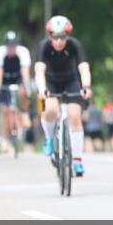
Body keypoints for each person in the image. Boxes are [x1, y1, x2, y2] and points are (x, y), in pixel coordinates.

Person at [34, 15, 92, 176]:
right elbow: (39, 71)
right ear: (49, 35)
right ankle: (49, 138)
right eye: (55, 37)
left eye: (62, 37)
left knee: (74, 116)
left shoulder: (74, 45)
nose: (59, 41)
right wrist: (42, 89)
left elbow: (83, 68)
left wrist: (86, 86)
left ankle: (77, 160)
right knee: (51, 110)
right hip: (50, 82)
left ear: (68, 35)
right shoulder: (44, 46)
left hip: (70, 81)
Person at [0, 31, 32, 154]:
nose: (11, 49)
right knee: (4, 110)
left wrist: (27, 87)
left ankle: (25, 114)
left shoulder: (23, 52)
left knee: (23, 91)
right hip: (5, 79)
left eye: (13, 46)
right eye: (9, 46)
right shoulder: (0, 53)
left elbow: (25, 72)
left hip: (18, 77)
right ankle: (4, 140)